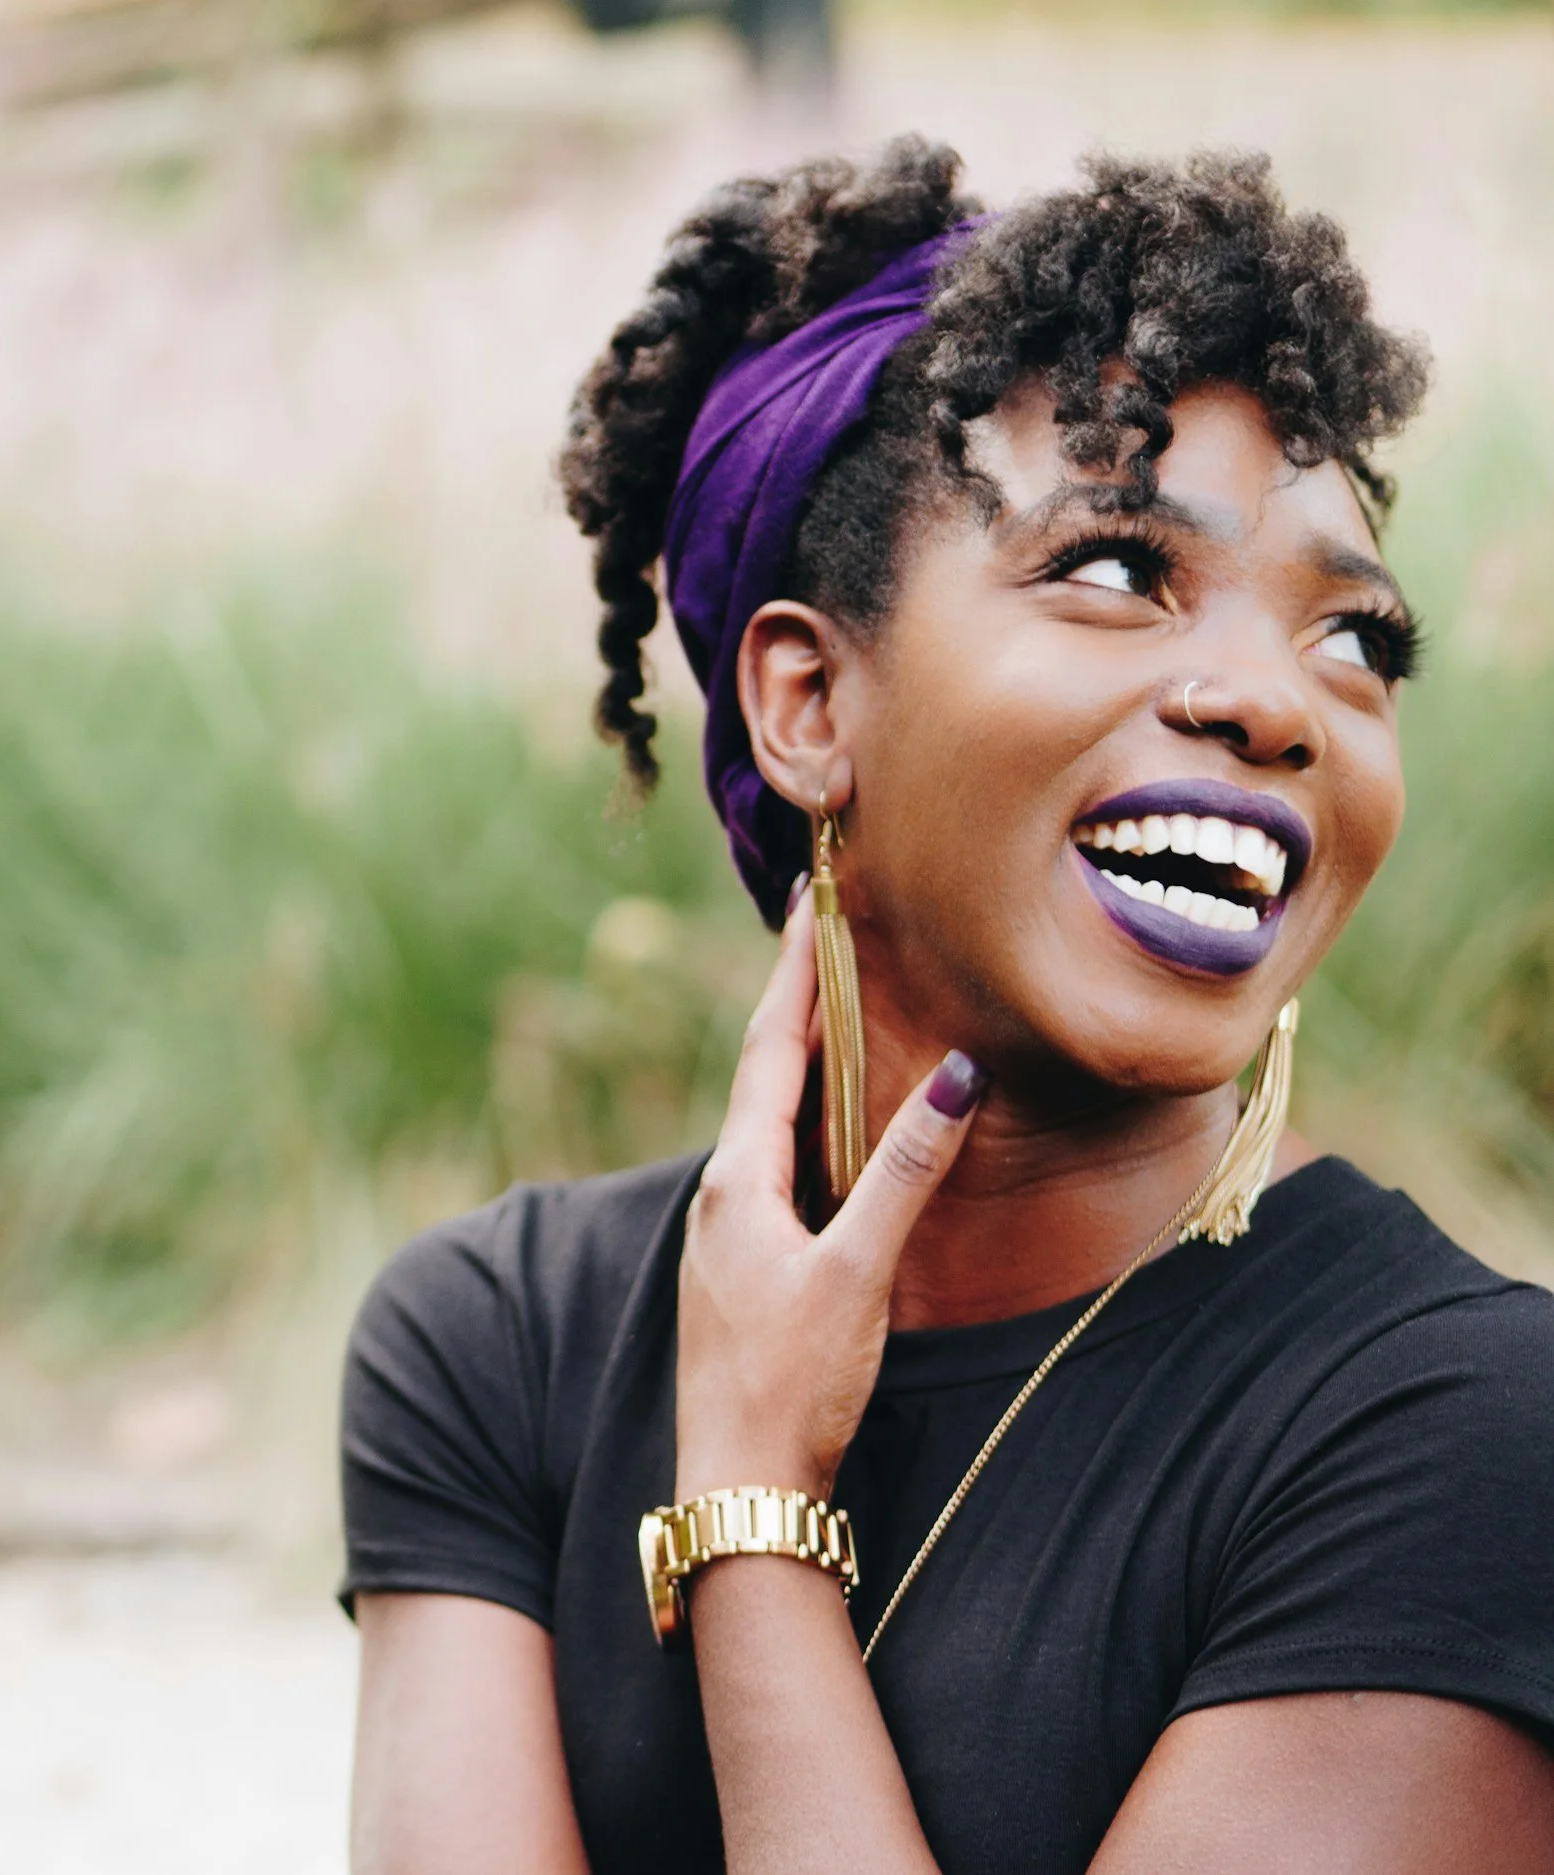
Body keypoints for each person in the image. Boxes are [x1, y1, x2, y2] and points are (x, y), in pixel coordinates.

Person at [339, 139, 1554, 1873]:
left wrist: (753, 1523)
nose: (1281, 704)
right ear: (811, 702)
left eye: (1358, 640)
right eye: (1123, 569)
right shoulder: (500, 1346)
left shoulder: (1465, 1432)